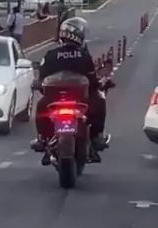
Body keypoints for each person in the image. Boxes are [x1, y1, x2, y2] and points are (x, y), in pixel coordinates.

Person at [31, 18, 109, 160]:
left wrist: (40, 87)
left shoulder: (50, 55)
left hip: (55, 100)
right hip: (80, 100)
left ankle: (41, 139)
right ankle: (96, 137)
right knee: (100, 100)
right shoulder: (83, 55)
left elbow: (41, 80)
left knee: (41, 105)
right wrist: (100, 85)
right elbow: (92, 80)